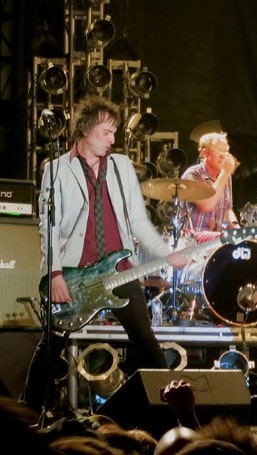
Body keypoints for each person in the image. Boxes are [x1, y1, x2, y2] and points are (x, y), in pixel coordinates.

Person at [20, 95, 189, 417]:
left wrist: (168, 254)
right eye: (105, 132)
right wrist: (54, 274)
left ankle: (172, 417)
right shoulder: (56, 169)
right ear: (84, 130)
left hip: (119, 269)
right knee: (52, 344)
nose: (112, 140)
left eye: (114, 133)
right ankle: (26, 413)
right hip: (75, 274)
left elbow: (139, 221)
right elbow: (49, 226)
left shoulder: (122, 166)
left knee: (146, 342)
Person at [180, 131, 240, 244]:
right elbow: (207, 205)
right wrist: (226, 172)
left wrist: (237, 228)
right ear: (204, 153)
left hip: (216, 240)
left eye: (226, 151)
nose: (224, 156)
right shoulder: (193, 175)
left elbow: (227, 210)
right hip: (192, 240)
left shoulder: (225, 177)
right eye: (219, 150)